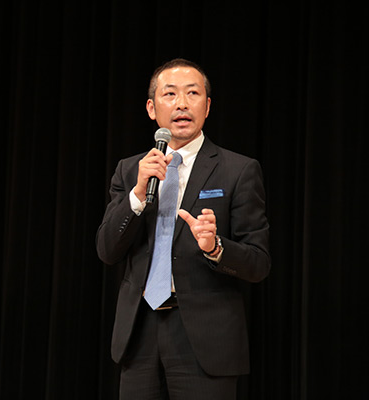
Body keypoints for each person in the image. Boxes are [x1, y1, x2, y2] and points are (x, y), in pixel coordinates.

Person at [96, 58, 270, 400]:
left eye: (193, 93)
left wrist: (215, 247)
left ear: (207, 106)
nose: (182, 104)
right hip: (139, 337)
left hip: (204, 340)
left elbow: (259, 263)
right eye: (170, 94)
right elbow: (107, 250)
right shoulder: (131, 170)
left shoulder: (238, 170)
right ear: (151, 108)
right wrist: (137, 195)